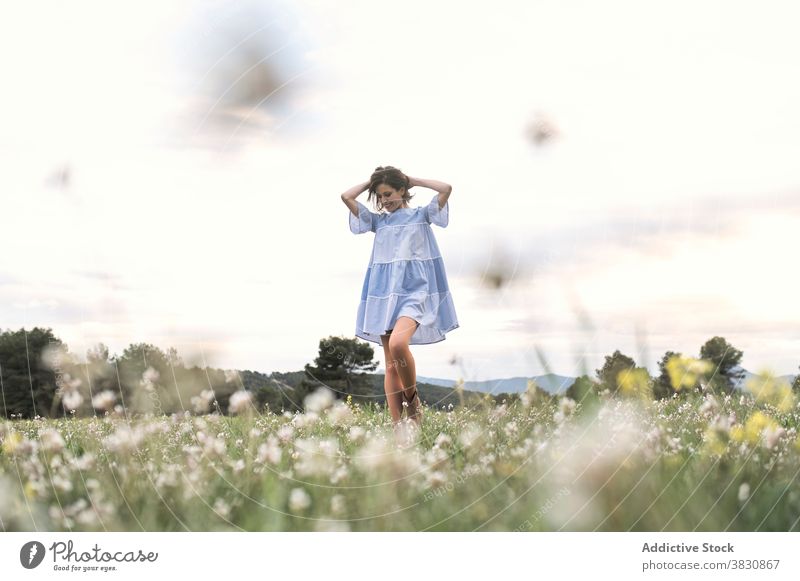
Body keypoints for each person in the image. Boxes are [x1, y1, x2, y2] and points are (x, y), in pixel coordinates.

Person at [341, 166, 459, 429]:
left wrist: (412, 180)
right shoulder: (379, 222)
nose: (384, 201)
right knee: (391, 365)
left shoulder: (421, 215)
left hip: (415, 293)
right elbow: (346, 197)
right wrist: (373, 182)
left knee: (397, 345)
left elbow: (445, 188)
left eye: (389, 194)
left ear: (403, 190)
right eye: (380, 197)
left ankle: (413, 402)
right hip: (383, 295)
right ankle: (399, 428)